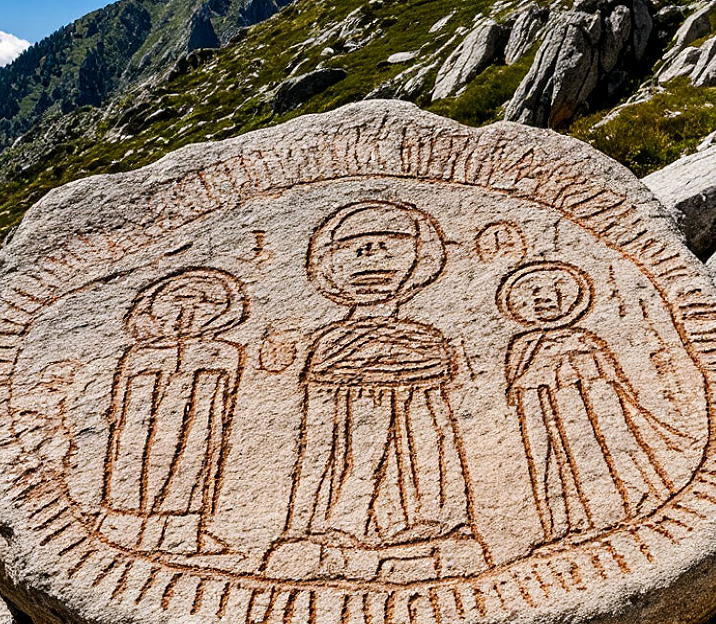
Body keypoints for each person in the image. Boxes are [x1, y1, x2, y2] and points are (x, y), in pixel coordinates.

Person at [268, 200, 487, 583]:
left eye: (390, 243)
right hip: (345, 440)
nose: (371, 256)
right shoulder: (330, 342)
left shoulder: (425, 339)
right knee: (347, 461)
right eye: (354, 246)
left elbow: (435, 429)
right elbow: (320, 437)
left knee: (423, 455)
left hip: (414, 439)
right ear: (330, 263)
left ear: (418, 257)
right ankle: (331, 529)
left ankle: (426, 525)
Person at [499, 261, 692, 541]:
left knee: (610, 450)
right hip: (550, 414)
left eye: (550, 294)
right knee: (558, 462)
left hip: (594, 411)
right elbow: (519, 389)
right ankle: (570, 521)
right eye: (535, 296)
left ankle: (632, 502)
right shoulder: (524, 346)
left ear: (565, 300)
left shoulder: (584, 339)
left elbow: (612, 379)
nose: (542, 300)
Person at [99, 268, 247, 555]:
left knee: (191, 464)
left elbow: (225, 396)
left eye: (205, 302)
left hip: (201, 418)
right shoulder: (141, 354)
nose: (188, 309)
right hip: (144, 422)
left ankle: (182, 533)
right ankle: (124, 524)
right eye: (177, 300)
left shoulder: (223, 352)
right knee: (135, 461)